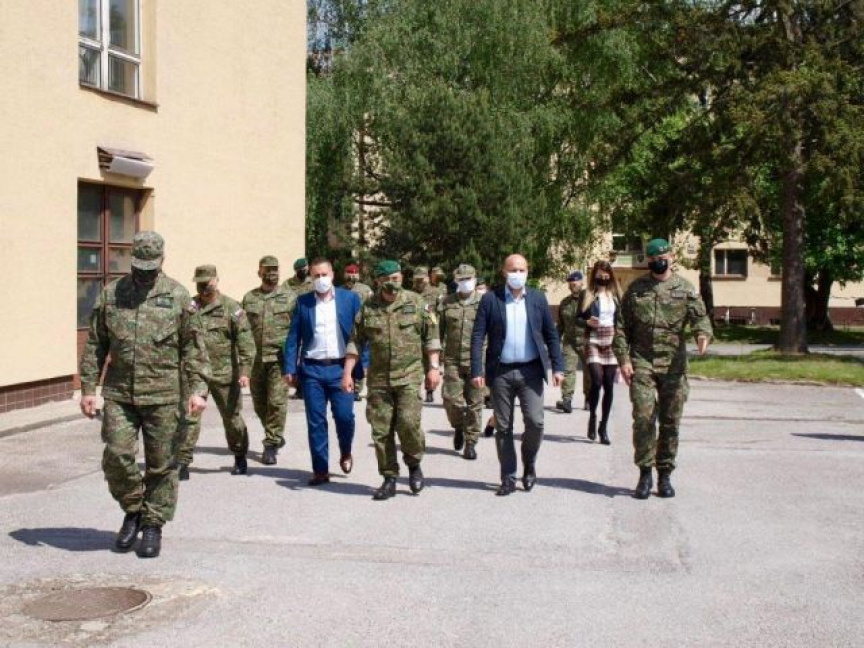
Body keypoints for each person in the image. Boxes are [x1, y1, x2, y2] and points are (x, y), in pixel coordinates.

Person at [79, 231, 209, 559]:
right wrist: (89, 389)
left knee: (161, 465)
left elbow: (194, 348)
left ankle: (153, 524)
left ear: (162, 260)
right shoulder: (113, 294)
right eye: (139, 265)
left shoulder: (178, 296)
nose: (145, 271)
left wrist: (198, 390)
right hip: (120, 393)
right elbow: (96, 344)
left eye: (151, 265)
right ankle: (134, 508)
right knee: (116, 456)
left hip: (164, 394)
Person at [613, 238, 713, 499]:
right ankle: (645, 473)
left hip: (673, 367)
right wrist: (624, 360)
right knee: (643, 418)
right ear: (648, 260)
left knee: (670, 421)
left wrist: (702, 335)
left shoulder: (685, 288)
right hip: (642, 363)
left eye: (663, 257)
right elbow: (621, 328)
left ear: (671, 257)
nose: (659, 261)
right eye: (654, 258)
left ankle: (665, 474)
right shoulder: (636, 290)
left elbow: (700, 318)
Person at [342, 260, 441, 501]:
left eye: (396, 278)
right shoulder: (368, 307)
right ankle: (389, 477)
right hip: (379, 380)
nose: (392, 283)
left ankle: (414, 464)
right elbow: (356, 341)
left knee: (408, 423)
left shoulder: (417, 303)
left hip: (409, 376)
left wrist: (434, 368)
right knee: (381, 430)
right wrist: (347, 373)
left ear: (402, 279)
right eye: (386, 279)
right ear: (378, 281)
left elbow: (431, 337)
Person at [471, 254, 565, 496]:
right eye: (513, 270)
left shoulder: (537, 298)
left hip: (530, 370)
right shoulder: (490, 299)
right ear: (504, 272)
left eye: (522, 270)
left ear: (527, 272)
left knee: (535, 422)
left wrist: (558, 367)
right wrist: (477, 369)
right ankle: (508, 477)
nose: (518, 274)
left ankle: (529, 462)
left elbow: (551, 335)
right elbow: (478, 336)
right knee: (503, 427)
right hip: (500, 371)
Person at [283, 258, 363, 485]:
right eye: (316, 276)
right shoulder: (303, 302)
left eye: (324, 274)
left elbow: (360, 335)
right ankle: (320, 470)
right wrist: (290, 367)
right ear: (311, 278)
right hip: (312, 370)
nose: (321, 279)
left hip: (341, 369)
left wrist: (362, 363)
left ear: (332, 275)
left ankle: (345, 451)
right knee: (316, 421)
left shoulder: (349, 299)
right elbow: (293, 338)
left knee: (345, 417)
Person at [177, 265, 256, 479]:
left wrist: (245, 371)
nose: (204, 287)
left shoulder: (231, 307)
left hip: (224, 374)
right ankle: (182, 462)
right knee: (189, 417)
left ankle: (240, 456)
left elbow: (246, 342)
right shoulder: (188, 308)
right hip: (194, 374)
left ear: (216, 281)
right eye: (200, 283)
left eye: (208, 283)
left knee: (232, 419)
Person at [242, 256, 297, 465]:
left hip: (278, 359)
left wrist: (295, 360)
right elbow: (243, 329)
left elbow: (297, 329)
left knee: (276, 402)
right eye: (267, 270)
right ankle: (275, 433)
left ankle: (271, 444)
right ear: (259, 272)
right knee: (259, 404)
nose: (271, 274)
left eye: (275, 270)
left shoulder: (290, 297)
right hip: (256, 359)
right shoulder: (250, 298)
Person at [439, 264, 484, 460]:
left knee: (475, 403)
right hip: (452, 360)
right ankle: (458, 426)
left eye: (468, 279)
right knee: (451, 400)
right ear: (456, 281)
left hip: (477, 361)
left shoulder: (484, 302)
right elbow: (439, 332)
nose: (465, 282)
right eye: (461, 280)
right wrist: (436, 359)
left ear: (475, 279)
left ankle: (471, 442)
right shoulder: (447, 302)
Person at [581, 260, 622, 444]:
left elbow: (622, 319)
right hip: (593, 339)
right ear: (594, 276)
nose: (603, 278)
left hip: (611, 339)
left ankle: (603, 427)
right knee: (596, 381)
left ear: (610, 276)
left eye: (606, 275)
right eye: (600, 275)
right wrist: (587, 322)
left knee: (609, 385)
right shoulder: (588, 294)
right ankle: (592, 415)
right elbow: (577, 318)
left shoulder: (616, 296)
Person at [556, 270, 590, 413]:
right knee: (568, 370)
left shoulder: (590, 300)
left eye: (575, 282)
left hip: (587, 341)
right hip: (570, 341)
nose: (572, 285)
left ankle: (589, 399)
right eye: (570, 283)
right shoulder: (565, 303)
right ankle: (567, 400)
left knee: (589, 371)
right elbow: (560, 325)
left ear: (582, 282)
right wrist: (555, 340)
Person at [342, 262, 373, 401]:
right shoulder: (339, 290)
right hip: (345, 328)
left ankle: (357, 388)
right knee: (347, 357)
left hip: (361, 328)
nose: (351, 276)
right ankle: (347, 383)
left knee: (361, 358)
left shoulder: (365, 290)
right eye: (349, 273)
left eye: (354, 273)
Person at [412, 265, 440, 403]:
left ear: (427, 278)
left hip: (431, 332)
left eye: (421, 279)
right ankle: (414, 391)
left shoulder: (436, 293)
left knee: (430, 363)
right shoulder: (410, 294)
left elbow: (441, 312)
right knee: (414, 364)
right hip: (415, 333)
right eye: (417, 279)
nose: (419, 282)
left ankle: (429, 390)